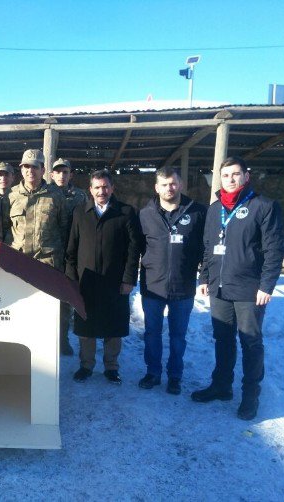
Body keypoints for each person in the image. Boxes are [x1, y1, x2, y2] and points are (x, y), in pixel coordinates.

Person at [192, 156, 284, 420]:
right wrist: (203, 278)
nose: (230, 179)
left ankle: (250, 396)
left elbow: (274, 250)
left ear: (246, 175)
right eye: (225, 175)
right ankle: (221, 386)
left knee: (250, 342)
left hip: (250, 289)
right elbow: (209, 247)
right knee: (222, 339)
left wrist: (267, 285)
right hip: (219, 288)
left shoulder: (263, 206)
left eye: (235, 174)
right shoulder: (214, 208)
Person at [66, 170, 140, 384]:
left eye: (105, 187)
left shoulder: (126, 212)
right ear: (90, 190)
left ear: (112, 188)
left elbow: (133, 250)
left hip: (114, 281)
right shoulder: (80, 212)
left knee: (113, 326)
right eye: (97, 187)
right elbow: (71, 248)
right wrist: (72, 280)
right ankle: (86, 365)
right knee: (85, 327)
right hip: (86, 282)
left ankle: (111, 367)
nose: (101, 191)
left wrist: (128, 279)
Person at [138, 167, 206, 395]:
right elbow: (136, 248)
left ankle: (175, 376)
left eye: (173, 183)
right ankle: (153, 372)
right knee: (151, 333)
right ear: (156, 188)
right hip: (153, 286)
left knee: (178, 337)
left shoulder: (197, 213)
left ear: (181, 184)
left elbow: (205, 250)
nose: (169, 188)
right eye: (164, 184)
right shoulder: (145, 214)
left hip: (183, 287)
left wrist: (204, 276)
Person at [3, 149, 69, 353]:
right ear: (21, 170)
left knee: (50, 308)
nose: (30, 170)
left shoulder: (56, 195)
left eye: (35, 166)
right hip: (19, 263)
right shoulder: (11, 195)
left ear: (43, 170)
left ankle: (56, 343)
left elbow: (64, 227)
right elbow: (6, 229)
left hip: (47, 262)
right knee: (20, 307)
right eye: (26, 167)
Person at [51, 158, 88, 355]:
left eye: (65, 172)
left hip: (70, 255)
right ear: (51, 175)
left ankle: (62, 340)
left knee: (65, 302)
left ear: (71, 174)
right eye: (58, 172)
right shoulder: (45, 193)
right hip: (48, 253)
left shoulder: (80, 196)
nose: (62, 175)